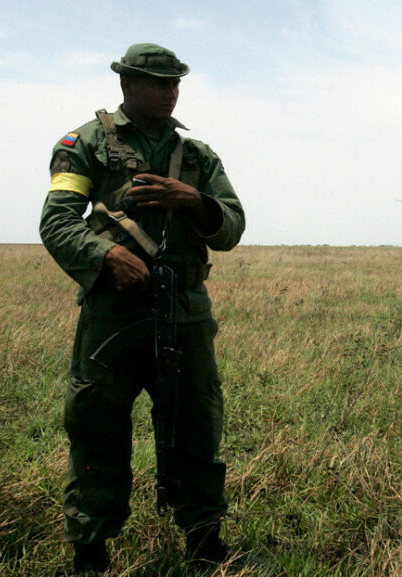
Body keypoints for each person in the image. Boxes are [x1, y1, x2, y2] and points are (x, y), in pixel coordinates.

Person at [39, 43, 247, 575]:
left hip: (184, 311)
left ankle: (204, 543)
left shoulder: (197, 157)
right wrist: (105, 254)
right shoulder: (83, 142)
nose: (171, 91)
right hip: (114, 314)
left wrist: (194, 201)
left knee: (196, 426)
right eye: (160, 83)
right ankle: (90, 551)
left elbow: (232, 227)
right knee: (97, 427)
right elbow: (57, 222)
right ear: (128, 85)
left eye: (176, 82)